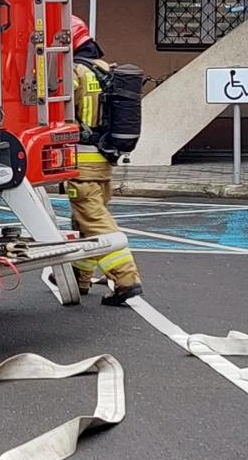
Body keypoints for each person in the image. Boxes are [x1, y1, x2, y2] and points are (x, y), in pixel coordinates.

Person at [66, 16, 141, 306]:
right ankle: (80, 279)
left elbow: (60, 108)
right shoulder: (103, 69)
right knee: (87, 222)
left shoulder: (75, 72)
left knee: (95, 220)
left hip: (83, 160)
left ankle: (126, 279)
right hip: (103, 158)